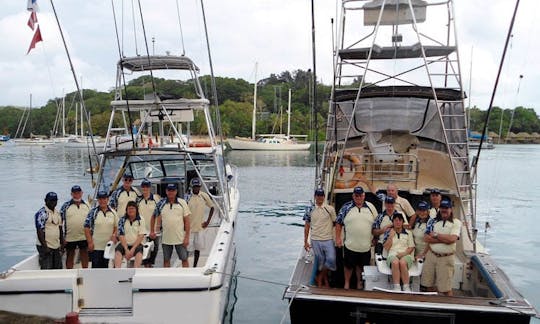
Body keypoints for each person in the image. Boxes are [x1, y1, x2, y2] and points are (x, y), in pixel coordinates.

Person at [335, 186, 378, 290]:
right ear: (353, 196)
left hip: (365, 246)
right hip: (350, 245)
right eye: (356, 195)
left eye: (360, 195)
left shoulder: (371, 207)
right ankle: (347, 283)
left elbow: (376, 224)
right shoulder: (346, 207)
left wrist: (375, 238)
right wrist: (338, 238)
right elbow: (338, 223)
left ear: (364, 196)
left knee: (361, 266)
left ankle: (359, 283)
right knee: (348, 266)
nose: (358, 197)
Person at [421, 198, 462, 296]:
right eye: (442, 208)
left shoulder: (456, 222)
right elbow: (426, 238)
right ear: (439, 208)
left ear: (451, 209)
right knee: (428, 285)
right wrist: (445, 240)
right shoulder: (432, 221)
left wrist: (435, 235)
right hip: (431, 256)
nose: (444, 210)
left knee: (445, 289)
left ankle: (449, 307)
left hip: (446, 258)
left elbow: (452, 239)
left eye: (446, 208)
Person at [151, 183, 191, 268]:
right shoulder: (161, 203)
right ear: (166, 191)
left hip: (180, 238)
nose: (171, 192)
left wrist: (187, 237)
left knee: (184, 259)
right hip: (166, 239)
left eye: (173, 190)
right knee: (166, 260)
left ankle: (186, 276)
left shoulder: (182, 202)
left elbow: (187, 221)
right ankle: (166, 277)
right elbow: (153, 216)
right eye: (169, 190)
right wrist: (152, 231)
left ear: (176, 191)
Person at [303, 188, 337, 288]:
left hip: (328, 238)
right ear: (315, 196)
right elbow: (307, 226)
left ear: (324, 197)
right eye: (318, 195)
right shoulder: (310, 209)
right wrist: (305, 241)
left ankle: (320, 277)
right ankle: (324, 280)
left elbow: (335, 223)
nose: (320, 197)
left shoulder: (330, 209)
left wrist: (337, 238)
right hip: (315, 239)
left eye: (321, 195)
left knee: (331, 259)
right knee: (321, 262)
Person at [84, 191, 118, 268]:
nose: (102, 201)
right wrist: (90, 243)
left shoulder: (113, 212)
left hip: (108, 246)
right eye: (100, 199)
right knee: (95, 267)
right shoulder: (93, 212)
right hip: (96, 246)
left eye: (104, 198)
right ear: (98, 200)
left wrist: (114, 235)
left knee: (105, 267)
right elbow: (86, 228)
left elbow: (116, 227)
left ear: (107, 199)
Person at [382, 213, 415, 291]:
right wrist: (390, 236)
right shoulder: (388, 232)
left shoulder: (408, 233)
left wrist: (403, 254)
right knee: (395, 263)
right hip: (392, 255)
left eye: (400, 220)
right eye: (395, 220)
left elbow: (411, 247)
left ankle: (406, 286)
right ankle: (396, 286)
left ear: (403, 222)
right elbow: (386, 248)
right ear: (393, 222)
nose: (397, 222)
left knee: (402, 263)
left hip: (405, 254)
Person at [60, 185, 90, 269]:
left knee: (84, 254)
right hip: (70, 237)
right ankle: (69, 272)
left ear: (82, 193)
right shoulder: (65, 206)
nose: (77, 195)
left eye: (78, 192)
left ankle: (85, 271)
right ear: (71, 194)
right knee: (70, 255)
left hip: (84, 236)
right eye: (75, 193)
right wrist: (62, 238)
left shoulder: (87, 205)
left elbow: (91, 221)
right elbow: (60, 222)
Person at [186, 178, 215, 267]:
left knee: (197, 248)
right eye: (194, 186)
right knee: (187, 249)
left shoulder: (204, 195)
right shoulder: (187, 197)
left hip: (199, 227)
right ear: (192, 187)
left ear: (200, 187)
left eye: (198, 186)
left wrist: (207, 222)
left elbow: (212, 207)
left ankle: (194, 266)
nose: (196, 188)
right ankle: (186, 266)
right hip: (189, 228)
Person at [34, 192, 64, 269]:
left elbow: (60, 229)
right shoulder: (41, 213)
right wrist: (45, 247)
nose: (53, 202)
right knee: (47, 269)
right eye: (51, 200)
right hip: (45, 247)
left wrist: (62, 243)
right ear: (45, 200)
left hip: (56, 246)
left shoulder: (58, 213)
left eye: (55, 200)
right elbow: (39, 231)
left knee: (58, 268)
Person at [114, 201, 147, 268]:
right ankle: (117, 272)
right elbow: (121, 235)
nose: (131, 210)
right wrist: (126, 249)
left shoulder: (141, 219)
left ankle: (136, 271)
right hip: (124, 244)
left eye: (133, 208)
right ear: (126, 210)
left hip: (137, 244)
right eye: (129, 208)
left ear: (136, 210)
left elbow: (141, 235)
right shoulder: (122, 220)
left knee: (139, 253)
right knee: (118, 252)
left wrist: (133, 249)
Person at [137, 179, 161, 268]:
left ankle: (150, 266)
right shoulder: (138, 199)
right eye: (143, 186)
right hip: (142, 231)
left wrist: (157, 227)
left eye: (147, 186)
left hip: (154, 230)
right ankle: (146, 267)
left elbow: (159, 213)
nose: (145, 188)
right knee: (144, 251)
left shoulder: (156, 198)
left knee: (154, 250)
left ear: (150, 188)